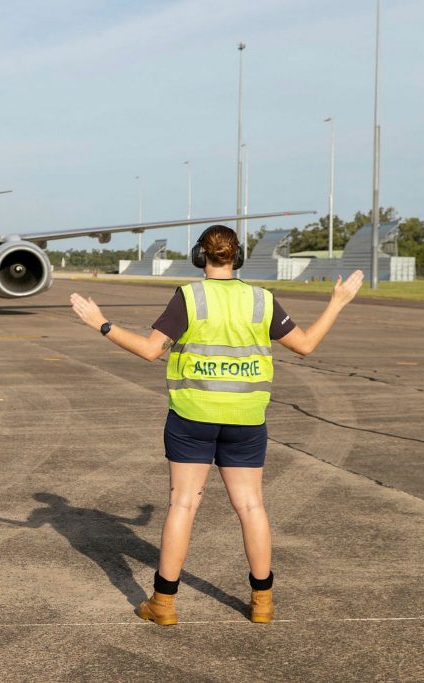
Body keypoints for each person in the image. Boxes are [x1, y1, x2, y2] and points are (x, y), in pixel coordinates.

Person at [70, 224, 363, 625]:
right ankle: (262, 602)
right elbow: (307, 344)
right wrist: (338, 301)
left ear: (199, 256)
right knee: (251, 505)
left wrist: (101, 324)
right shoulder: (262, 300)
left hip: (193, 417)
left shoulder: (189, 297)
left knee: (183, 504)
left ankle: (164, 604)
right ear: (237, 257)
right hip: (246, 419)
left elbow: (150, 350)